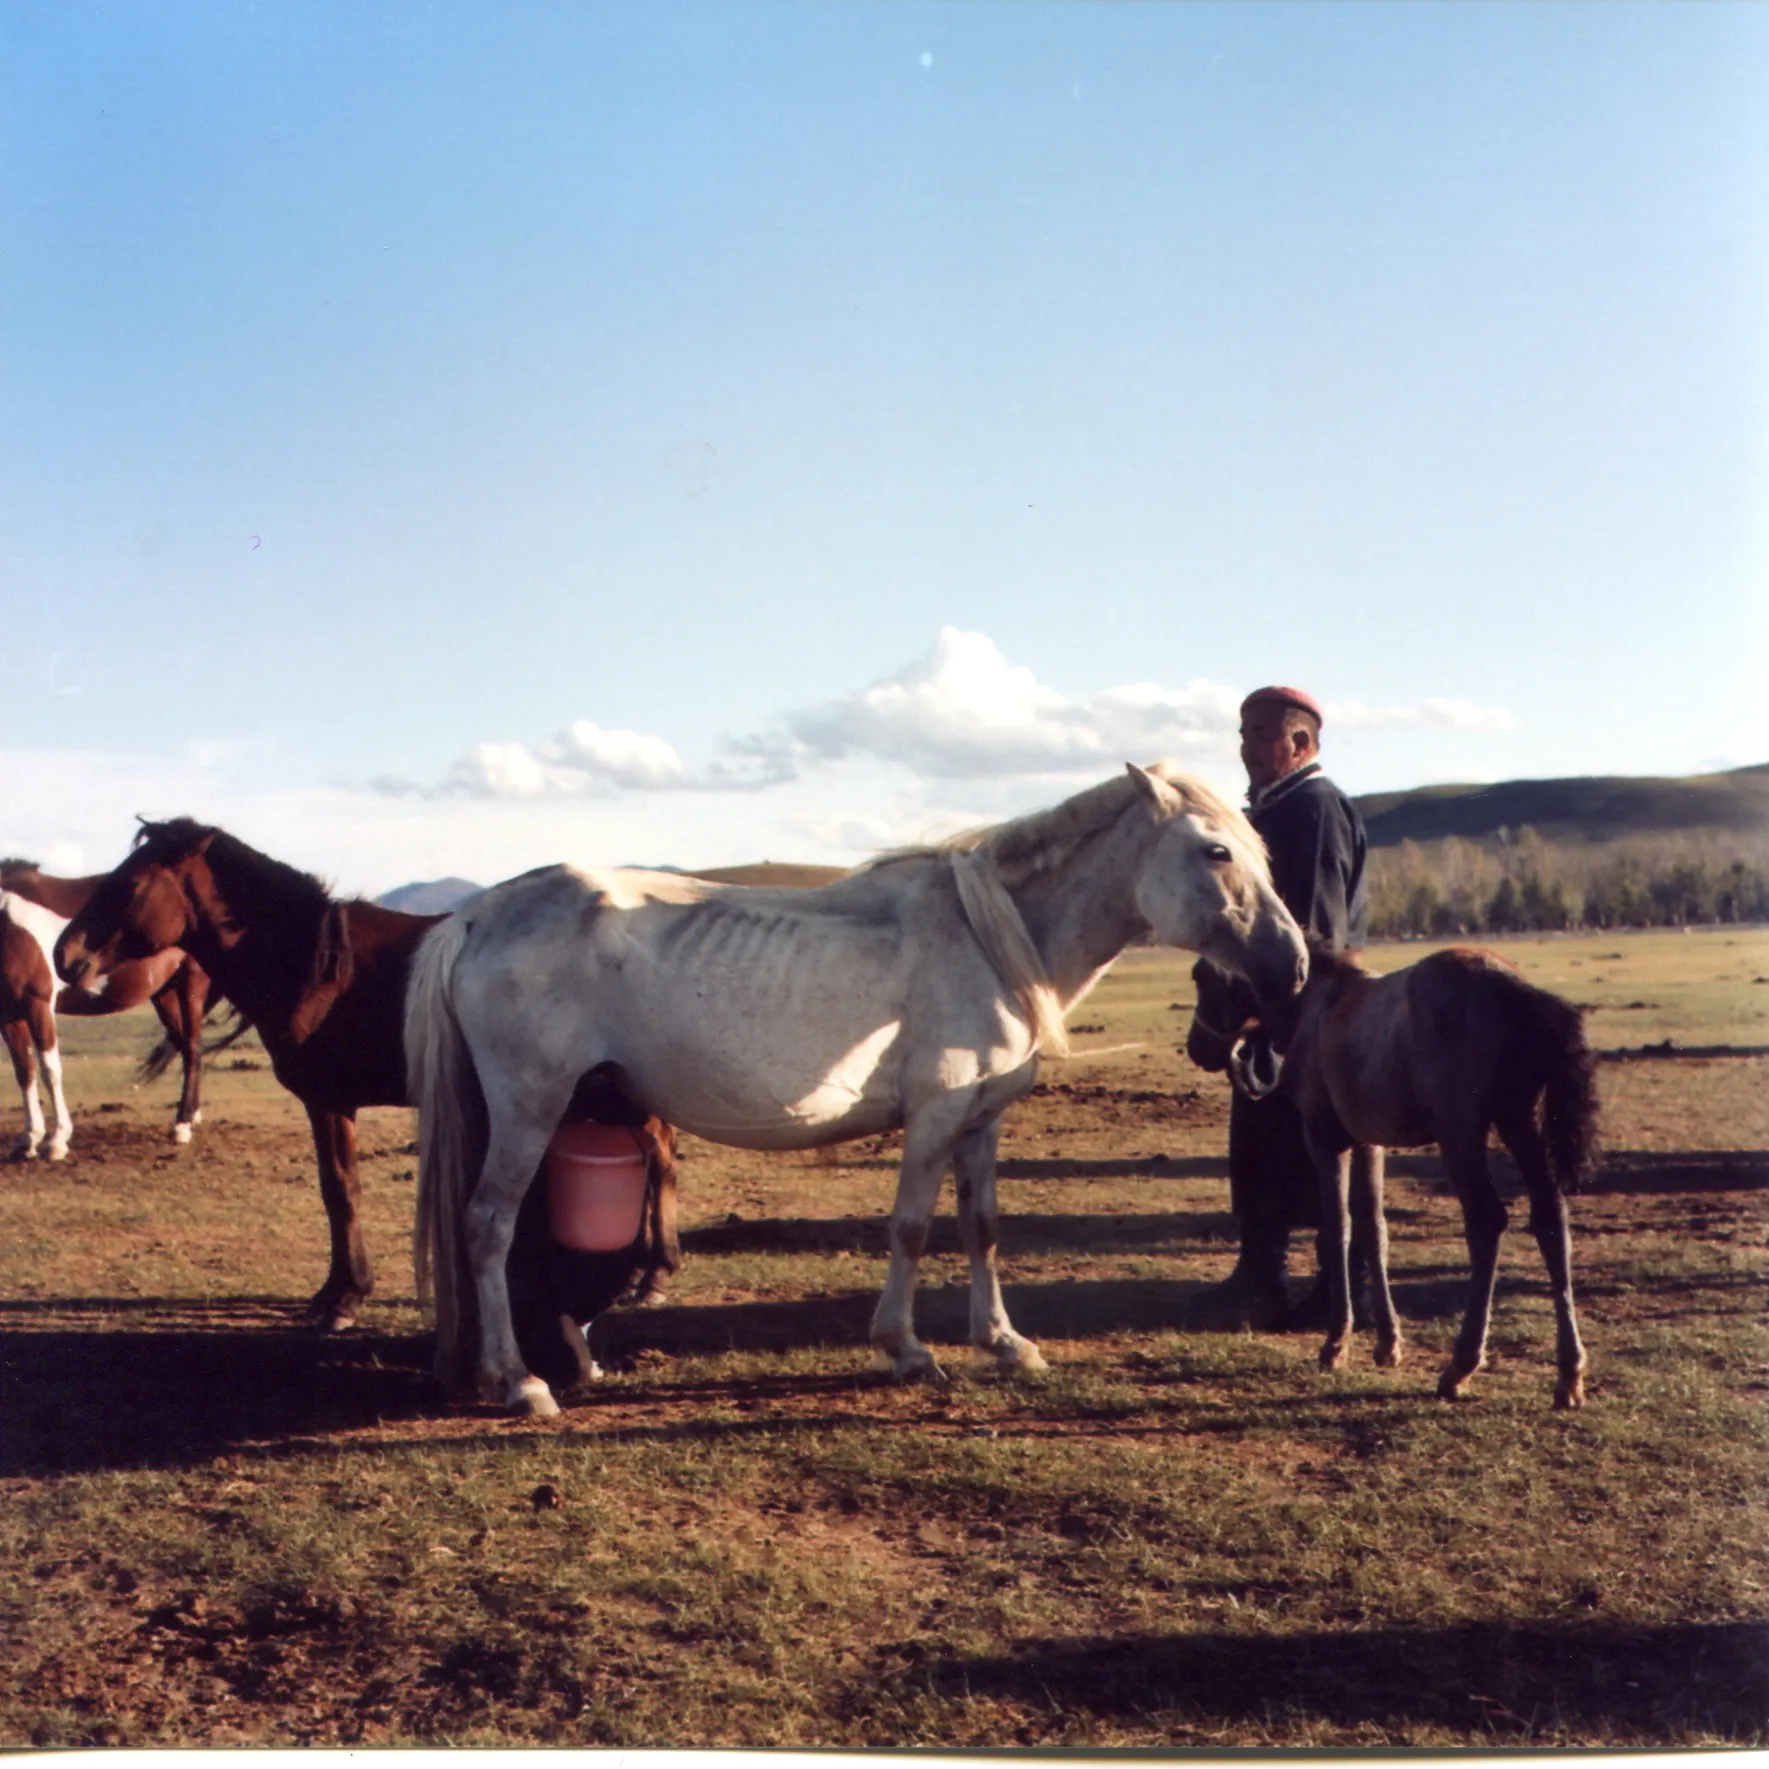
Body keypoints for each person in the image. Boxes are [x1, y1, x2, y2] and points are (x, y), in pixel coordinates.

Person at [1188, 684, 1369, 1330]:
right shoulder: (1271, 810)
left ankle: (1340, 1288)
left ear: (1301, 743)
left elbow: (1317, 925)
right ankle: (1260, 1277)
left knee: (1311, 1147)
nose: (1246, 747)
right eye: (1241, 733)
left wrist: (1279, 1011)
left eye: (1261, 733)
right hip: (1270, 1011)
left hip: (1302, 1015)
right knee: (1264, 1145)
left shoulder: (1313, 807)